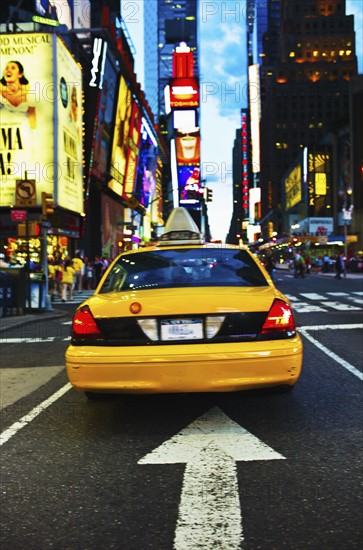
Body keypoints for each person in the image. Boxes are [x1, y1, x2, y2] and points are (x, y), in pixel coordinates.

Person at [0, 60, 36, 129]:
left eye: (13, 68)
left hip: (24, 132)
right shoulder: (1, 93)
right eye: (6, 68)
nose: (8, 70)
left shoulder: (28, 93)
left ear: (20, 74)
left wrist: (33, 134)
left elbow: (32, 117)